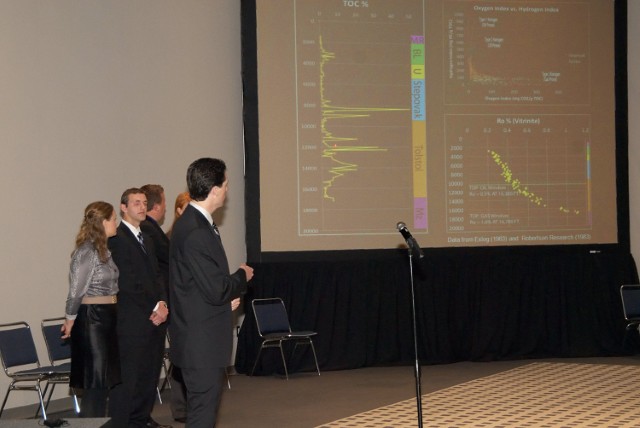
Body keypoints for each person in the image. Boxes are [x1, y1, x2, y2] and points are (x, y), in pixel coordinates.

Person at [169, 158, 253, 427]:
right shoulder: (195, 230)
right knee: (202, 415)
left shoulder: (196, 223)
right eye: (226, 185)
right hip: (201, 343)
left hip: (199, 337)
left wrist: (222, 303)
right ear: (214, 190)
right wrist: (242, 276)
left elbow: (195, 286)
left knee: (202, 412)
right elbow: (217, 289)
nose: (227, 190)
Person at [108, 188, 171, 428]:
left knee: (149, 375)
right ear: (123, 207)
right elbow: (127, 282)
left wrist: (163, 303)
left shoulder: (147, 236)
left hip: (155, 317)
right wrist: (154, 306)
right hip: (133, 320)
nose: (142, 207)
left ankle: (141, 420)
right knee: (129, 379)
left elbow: (157, 274)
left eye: (144, 203)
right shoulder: (117, 238)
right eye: (136, 203)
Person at [62, 201, 121, 418]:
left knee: (103, 381)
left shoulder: (103, 249)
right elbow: (76, 291)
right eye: (113, 218)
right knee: (95, 382)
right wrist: (69, 319)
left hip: (106, 317)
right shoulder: (87, 251)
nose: (116, 222)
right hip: (92, 319)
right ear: (103, 222)